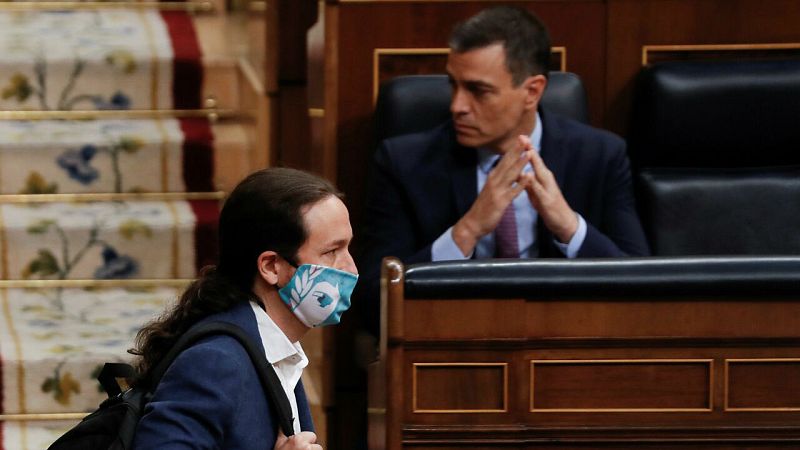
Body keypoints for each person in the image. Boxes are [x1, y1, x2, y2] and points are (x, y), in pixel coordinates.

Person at [357, 6, 650, 334]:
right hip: (451, 346)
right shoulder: (404, 163)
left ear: (532, 91)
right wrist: (465, 232)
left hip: (566, 342)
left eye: (477, 90)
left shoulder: (600, 157)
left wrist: (569, 227)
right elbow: (371, 303)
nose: (457, 106)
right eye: (453, 85)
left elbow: (643, 287)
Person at [131, 167, 358, 449]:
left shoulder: (277, 348)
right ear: (271, 266)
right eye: (331, 252)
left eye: (348, 248)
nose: (350, 268)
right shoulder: (215, 361)